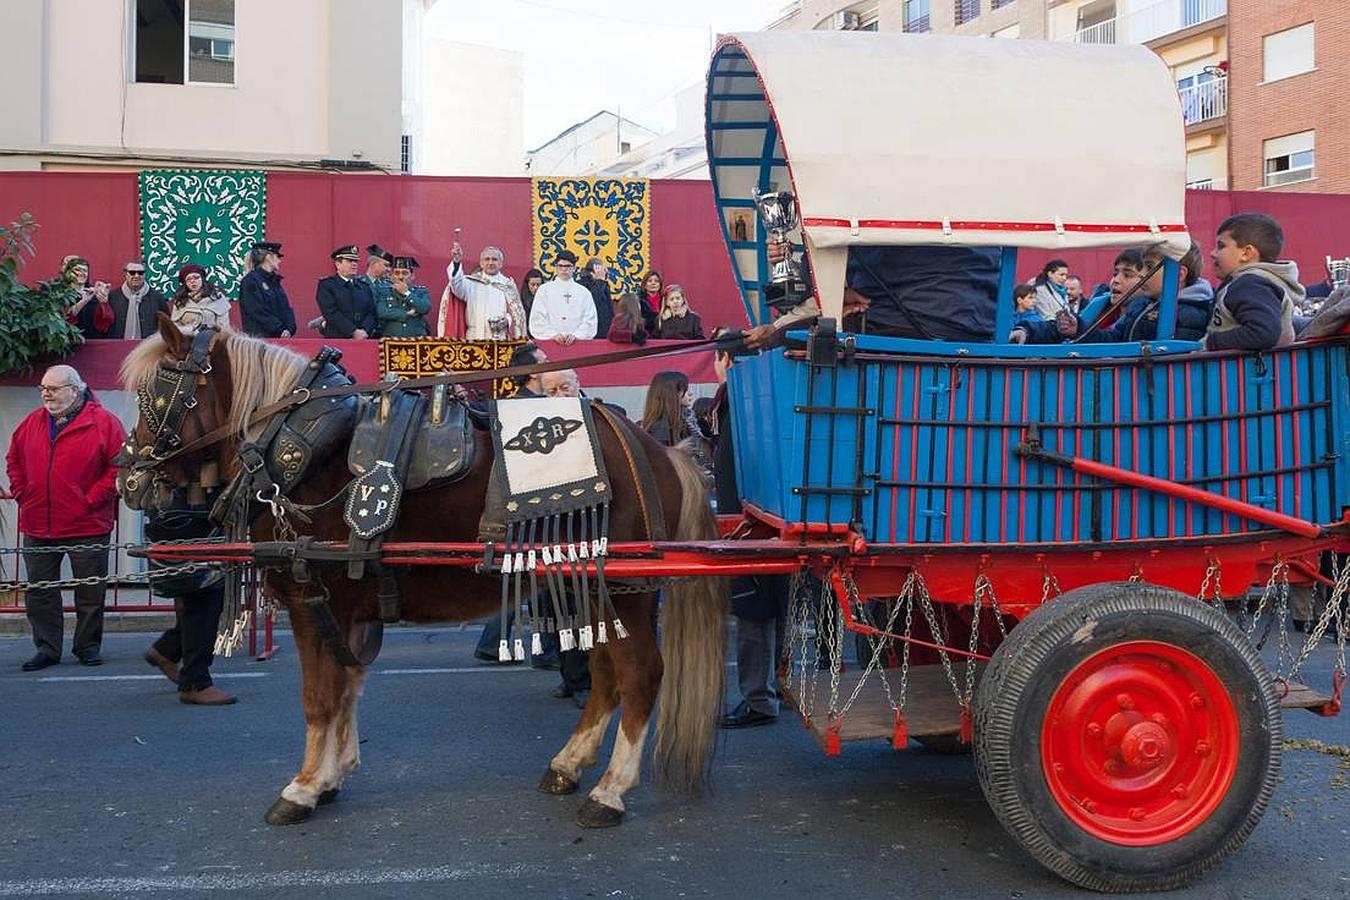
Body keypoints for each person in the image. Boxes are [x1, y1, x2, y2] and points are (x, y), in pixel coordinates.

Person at [3, 366, 124, 671]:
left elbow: (119, 467)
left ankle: (87, 646)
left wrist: (91, 500)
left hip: (87, 523)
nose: (46, 393)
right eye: (43, 388)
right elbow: (13, 458)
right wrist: (23, 493)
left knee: (89, 591)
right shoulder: (32, 422)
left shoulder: (105, 423)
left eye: (53, 389)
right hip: (38, 521)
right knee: (40, 592)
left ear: (75, 389)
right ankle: (47, 648)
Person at [705, 334, 787, 727]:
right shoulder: (758, 401)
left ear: (725, 361)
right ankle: (774, 690)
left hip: (747, 527)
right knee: (770, 613)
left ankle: (759, 698)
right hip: (763, 523)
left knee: (754, 615)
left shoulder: (739, 405)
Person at [747, 241, 1002, 349]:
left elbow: (809, 276)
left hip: (894, 323)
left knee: (782, 340)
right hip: (976, 327)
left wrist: (788, 262)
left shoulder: (874, 193)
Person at [1019, 242, 1213, 345]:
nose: (1144, 274)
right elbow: (1113, 339)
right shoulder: (1139, 306)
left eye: (1150, 268)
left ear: (1178, 275)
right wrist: (1076, 328)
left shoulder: (1190, 313)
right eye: (1144, 267)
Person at [142, 513, 236, 706]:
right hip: (191, 515)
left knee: (202, 598)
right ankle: (195, 683)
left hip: (185, 515)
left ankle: (167, 650)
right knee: (205, 597)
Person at [1204, 212, 1301, 351]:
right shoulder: (1251, 283)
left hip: (1241, 370)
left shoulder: (1250, 285)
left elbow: (1262, 333)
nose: (1212, 253)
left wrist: (1210, 343)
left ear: (1246, 253)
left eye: (1221, 246)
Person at [1013, 249, 1147, 344]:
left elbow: (1112, 341)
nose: (1116, 280)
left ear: (1147, 279)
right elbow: (1062, 328)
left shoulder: (1145, 317)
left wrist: (1077, 329)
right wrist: (1027, 330)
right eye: (1114, 273)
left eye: (1128, 275)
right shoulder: (1099, 306)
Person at [447, 242, 527, 340]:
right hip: (475, 338)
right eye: (487, 259)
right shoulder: (471, 282)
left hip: (501, 339)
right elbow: (456, 285)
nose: (490, 262)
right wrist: (456, 262)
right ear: (481, 263)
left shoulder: (507, 285)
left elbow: (517, 315)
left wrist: (507, 321)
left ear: (501, 263)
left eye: (494, 259)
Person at [529, 250, 597, 344]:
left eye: (568, 266)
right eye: (560, 266)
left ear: (574, 268)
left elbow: (590, 320)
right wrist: (552, 335)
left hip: (576, 344)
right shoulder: (544, 290)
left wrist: (577, 335)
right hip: (551, 343)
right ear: (556, 267)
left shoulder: (584, 293)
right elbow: (537, 317)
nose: (564, 269)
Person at [238, 241, 296, 338]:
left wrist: (289, 329)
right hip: (260, 341)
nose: (279, 261)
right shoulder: (250, 281)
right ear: (268, 257)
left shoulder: (275, 281)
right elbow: (256, 310)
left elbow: (285, 308)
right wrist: (279, 329)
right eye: (277, 257)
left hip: (279, 340)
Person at [316, 245, 376, 339]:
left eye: (355, 261)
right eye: (349, 261)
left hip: (362, 339)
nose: (354, 264)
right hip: (337, 338)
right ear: (338, 264)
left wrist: (364, 330)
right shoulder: (327, 285)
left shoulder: (364, 286)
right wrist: (353, 331)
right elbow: (331, 312)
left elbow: (371, 313)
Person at [108, 260, 170, 340]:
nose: (136, 276)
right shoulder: (113, 297)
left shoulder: (157, 297)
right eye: (132, 272)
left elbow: (166, 323)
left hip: (148, 347)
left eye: (140, 273)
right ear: (126, 274)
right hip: (118, 346)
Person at [60, 257, 117, 339]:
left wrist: (103, 303)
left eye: (85, 271)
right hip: (69, 343)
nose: (81, 273)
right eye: (77, 270)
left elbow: (105, 324)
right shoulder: (61, 294)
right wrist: (84, 301)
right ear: (68, 273)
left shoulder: (94, 294)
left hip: (93, 342)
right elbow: (64, 319)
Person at [376, 255, 432, 337]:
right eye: (397, 273)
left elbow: (425, 308)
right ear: (391, 276)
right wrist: (406, 313)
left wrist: (407, 293)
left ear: (412, 276)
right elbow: (382, 312)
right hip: (391, 340)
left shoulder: (420, 291)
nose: (400, 277)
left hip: (415, 340)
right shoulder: (385, 291)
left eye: (405, 273)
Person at [170, 264, 231, 333]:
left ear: (202, 279)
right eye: (188, 279)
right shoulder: (180, 301)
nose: (192, 281)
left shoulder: (217, 298)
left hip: (211, 339)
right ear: (185, 283)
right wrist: (190, 330)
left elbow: (224, 327)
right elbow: (175, 327)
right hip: (187, 339)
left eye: (196, 277)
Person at [577, 257, 614, 340]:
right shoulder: (582, 285)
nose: (605, 273)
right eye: (602, 270)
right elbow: (593, 303)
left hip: (604, 330)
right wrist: (599, 281)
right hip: (591, 330)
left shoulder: (603, 283)